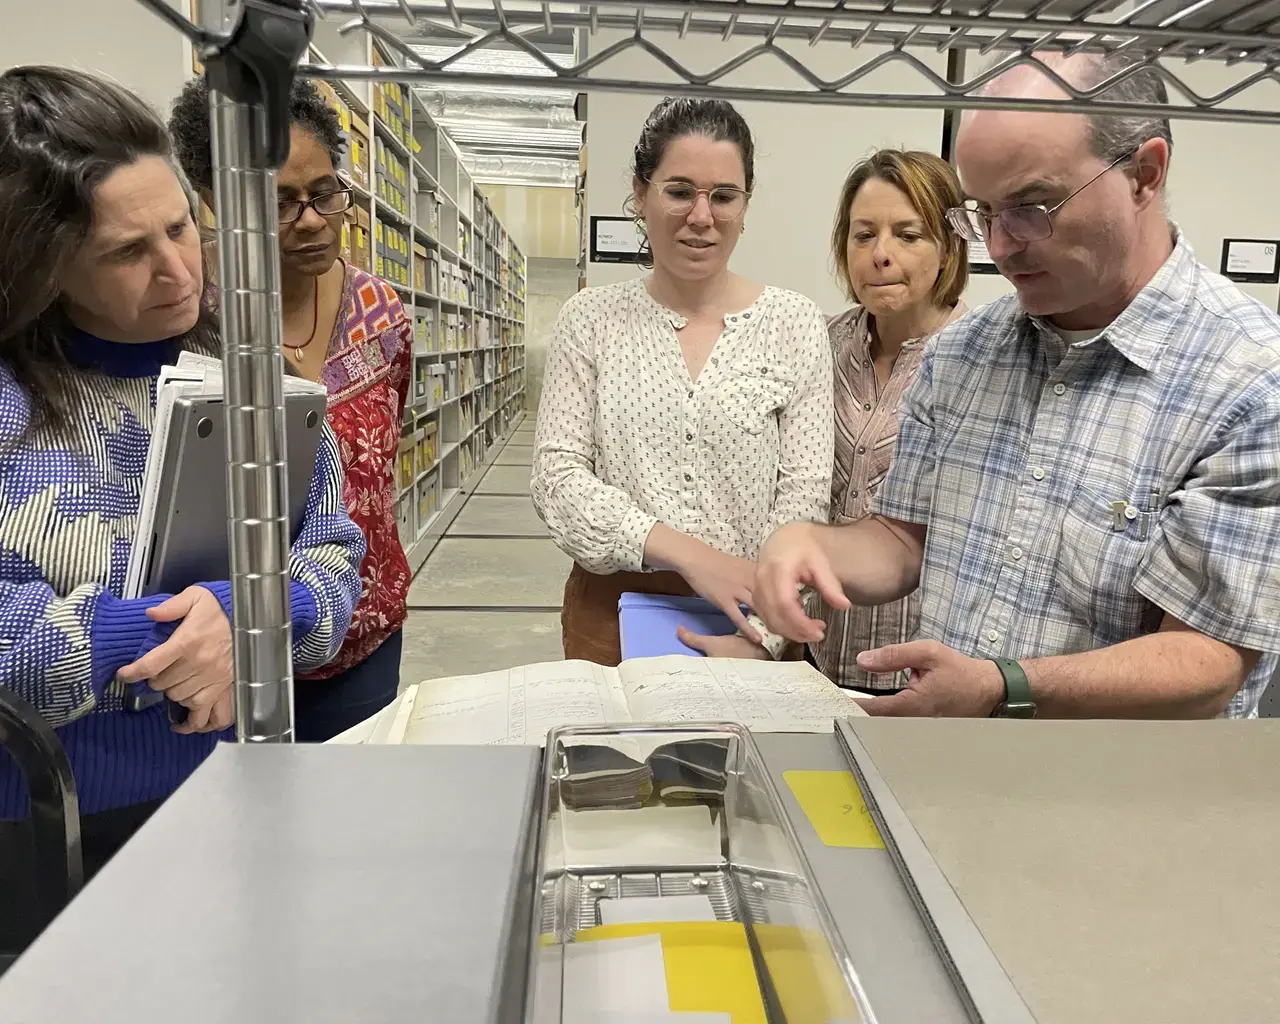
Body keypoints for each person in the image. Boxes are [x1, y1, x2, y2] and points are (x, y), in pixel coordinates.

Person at [753, 51, 1280, 719]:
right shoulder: (964, 354)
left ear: (1144, 174)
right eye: (982, 213)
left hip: (1124, 797)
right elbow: (902, 541)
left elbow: (1208, 660)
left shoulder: (1251, 382)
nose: (999, 247)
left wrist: (1005, 687)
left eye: (1030, 209)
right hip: (952, 767)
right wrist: (807, 542)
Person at [0, 66, 364, 949]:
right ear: (41, 264)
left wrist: (242, 616)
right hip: (47, 837)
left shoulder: (261, 386)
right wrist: (176, 638)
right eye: (127, 252)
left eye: (180, 230)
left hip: (237, 798)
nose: (178, 272)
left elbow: (335, 561)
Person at [532, 97, 834, 666]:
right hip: (613, 614)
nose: (702, 216)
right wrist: (686, 554)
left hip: (754, 614)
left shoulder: (793, 323)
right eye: (678, 191)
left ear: (746, 204)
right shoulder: (591, 319)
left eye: (724, 196)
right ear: (641, 195)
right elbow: (557, 479)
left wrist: (767, 637)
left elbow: (805, 493)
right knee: (617, 757)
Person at [169, 75, 412, 741]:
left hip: (366, 633)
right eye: (278, 203)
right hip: (229, 654)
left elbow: (384, 463)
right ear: (216, 200)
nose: (310, 220)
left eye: (324, 193)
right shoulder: (189, 323)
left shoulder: (383, 314)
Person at [809, 150, 968, 693]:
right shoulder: (818, 344)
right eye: (863, 235)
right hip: (813, 650)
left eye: (908, 235)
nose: (881, 255)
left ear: (948, 247)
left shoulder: (981, 360)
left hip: (922, 667)